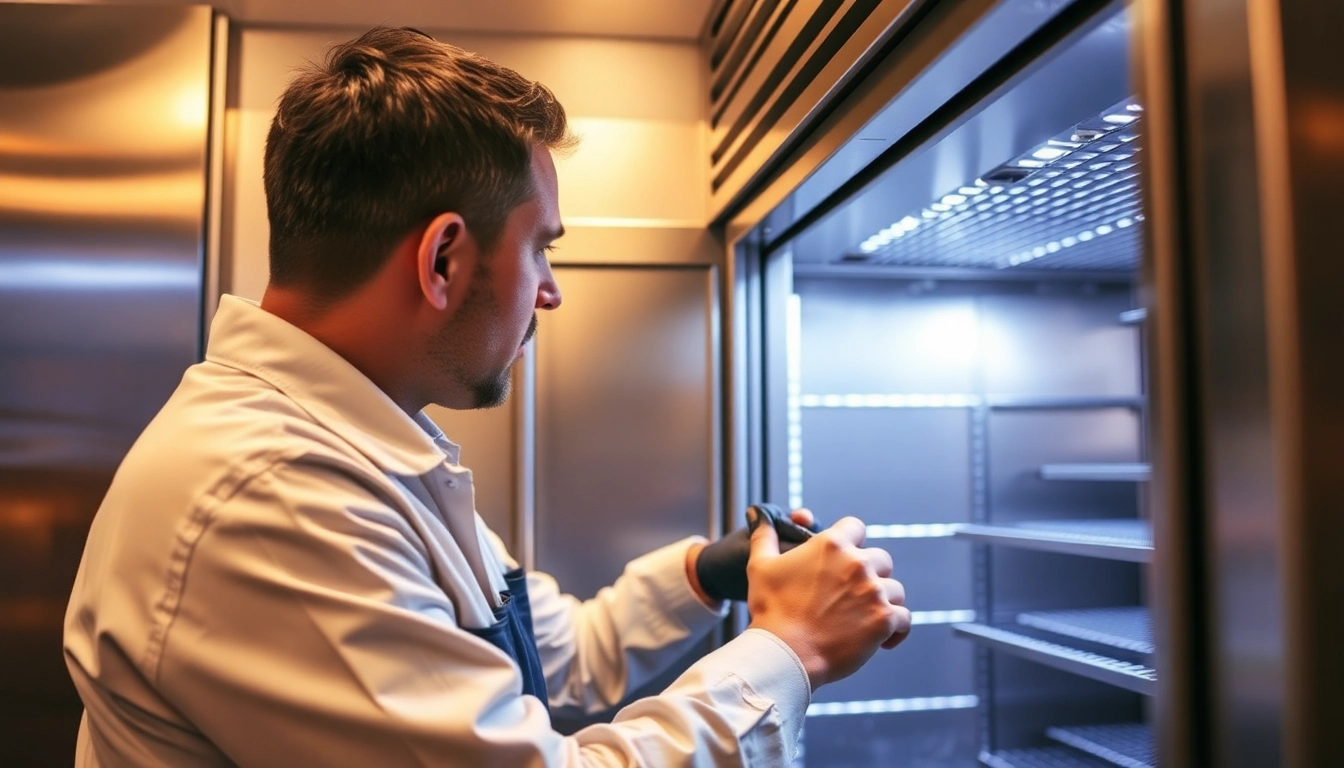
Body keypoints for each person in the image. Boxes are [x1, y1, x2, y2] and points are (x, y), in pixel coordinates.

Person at [63, 27, 911, 767]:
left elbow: (560, 654)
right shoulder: (272, 495)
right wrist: (788, 650)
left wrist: (704, 572)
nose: (550, 293)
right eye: (541, 250)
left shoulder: (368, 443)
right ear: (442, 261)